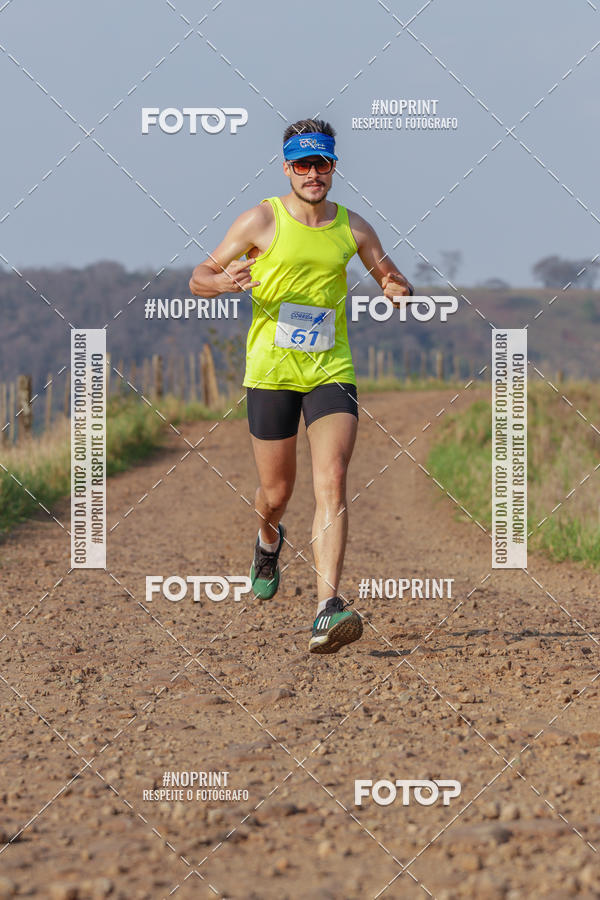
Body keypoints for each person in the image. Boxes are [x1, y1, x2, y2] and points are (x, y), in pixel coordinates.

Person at [190, 118, 413, 653]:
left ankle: (326, 608)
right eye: (304, 164)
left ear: (335, 167)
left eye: (323, 163)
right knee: (278, 493)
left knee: (332, 478)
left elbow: (389, 271)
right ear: (287, 167)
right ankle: (268, 539)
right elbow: (198, 277)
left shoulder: (353, 228)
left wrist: (394, 286)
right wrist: (221, 281)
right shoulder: (260, 221)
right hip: (270, 372)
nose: (314, 173)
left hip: (330, 369)